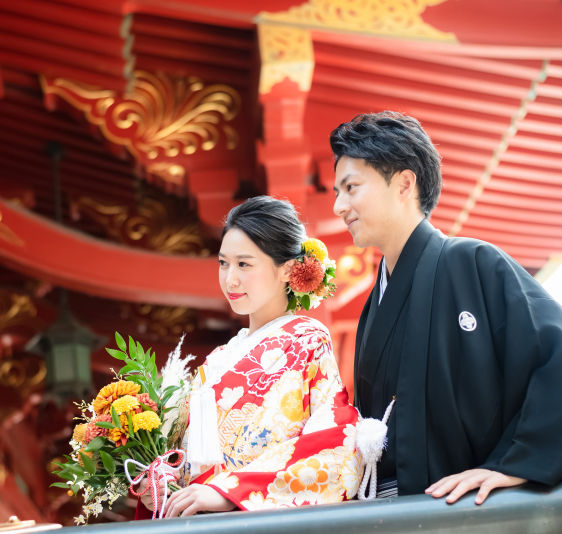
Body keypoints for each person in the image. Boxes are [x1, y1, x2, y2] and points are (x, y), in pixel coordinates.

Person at [331, 111, 562, 505]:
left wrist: (512, 463)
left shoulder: (473, 262)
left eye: (351, 187)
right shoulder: (376, 302)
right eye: (337, 191)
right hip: (390, 515)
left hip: (468, 511)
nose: (339, 205)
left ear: (404, 184)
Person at [137, 196, 363, 518]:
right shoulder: (217, 360)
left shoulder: (307, 339)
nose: (230, 278)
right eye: (223, 263)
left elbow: (334, 440)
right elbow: (189, 458)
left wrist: (229, 489)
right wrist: (164, 483)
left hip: (253, 516)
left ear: (287, 270)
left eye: (244, 264)